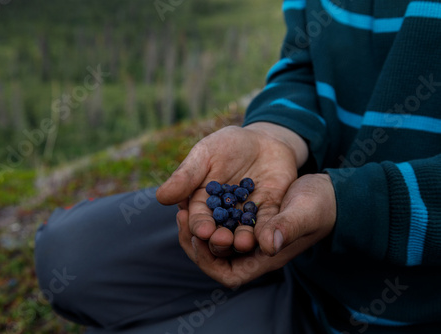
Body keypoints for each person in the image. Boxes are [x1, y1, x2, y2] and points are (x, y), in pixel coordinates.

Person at [34, 0, 441, 333]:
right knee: (66, 256)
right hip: (296, 230)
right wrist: (275, 134)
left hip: (397, 308)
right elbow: (305, 63)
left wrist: (354, 205)